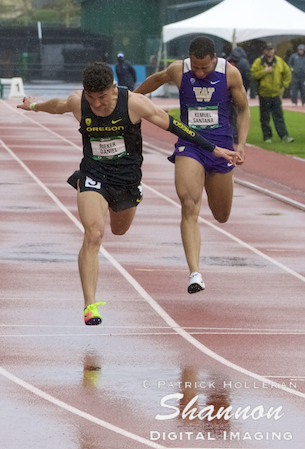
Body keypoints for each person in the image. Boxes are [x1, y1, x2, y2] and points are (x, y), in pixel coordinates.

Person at [19, 62, 238, 325]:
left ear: (113, 88)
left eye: (102, 97)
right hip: (94, 174)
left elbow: (175, 126)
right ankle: (90, 305)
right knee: (93, 233)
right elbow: (56, 106)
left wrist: (214, 149)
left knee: (119, 230)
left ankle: (119, 207)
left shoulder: (134, 104)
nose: (98, 105)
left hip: (126, 180)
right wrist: (33, 105)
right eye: (92, 98)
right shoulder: (79, 102)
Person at [135, 36, 250, 295]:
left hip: (221, 147)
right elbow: (156, 79)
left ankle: (196, 267)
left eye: (204, 68)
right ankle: (195, 273)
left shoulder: (230, 74)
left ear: (214, 60)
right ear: (190, 58)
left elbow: (244, 109)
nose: (199, 72)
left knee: (221, 215)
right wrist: (132, 97)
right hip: (191, 146)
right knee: (189, 205)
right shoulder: (179, 69)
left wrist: (240, 144)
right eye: (195, 67)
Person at [250, 42, 293, 143]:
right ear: (264, 51)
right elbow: (253, 75)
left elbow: (287, 73)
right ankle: (267, 137)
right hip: (264, 94)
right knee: (265, 118)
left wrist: (284, 86)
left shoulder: (279, 61)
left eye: (271, 49)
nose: (270, 51)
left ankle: (284, 135)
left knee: (279, 116)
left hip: (276, 94)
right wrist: (264, 71)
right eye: (267, 49)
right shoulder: (258, 62)